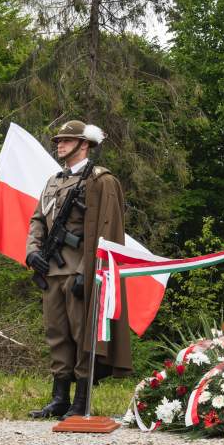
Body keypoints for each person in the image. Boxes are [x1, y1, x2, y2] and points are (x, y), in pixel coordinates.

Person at [25, 120, 133, 419]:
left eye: (67, 140)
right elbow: (37, 219)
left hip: (80, 270)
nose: (59, 144)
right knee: (56, 333)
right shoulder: (53, 181)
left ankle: (81, 399)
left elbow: (108, 229)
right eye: (58, 140)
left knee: (82, 333)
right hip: (52, 270)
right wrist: (32, 252)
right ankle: (59, 397)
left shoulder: (100, 180)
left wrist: (89, 270)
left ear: (84, 144)